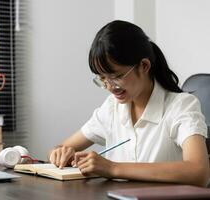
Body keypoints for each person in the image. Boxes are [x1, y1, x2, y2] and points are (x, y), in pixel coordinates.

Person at [48, 20, 209, 187]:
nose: (110, 87)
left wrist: (112, 168)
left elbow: (199, 172)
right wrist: (59, 153)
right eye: (102, 78)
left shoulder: (181, 106)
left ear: (144, 66)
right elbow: (62, 147)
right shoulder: (112, 107)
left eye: (116, 76)